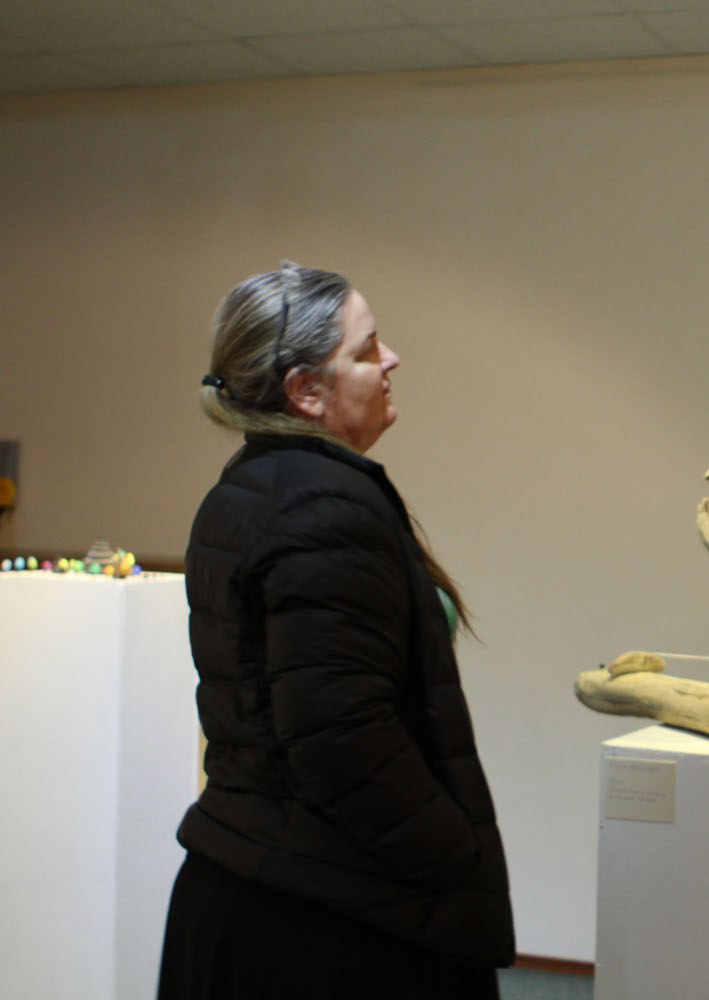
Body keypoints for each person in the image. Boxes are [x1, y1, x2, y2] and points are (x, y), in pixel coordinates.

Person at [158, 262, 514, 1000]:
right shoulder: (320, 506)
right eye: (367, 348)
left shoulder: (255, 486)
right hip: (323, 922)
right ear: (306, 391)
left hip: (266, 881)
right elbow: (340, 739)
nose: (391, 360)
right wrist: (454, 853)